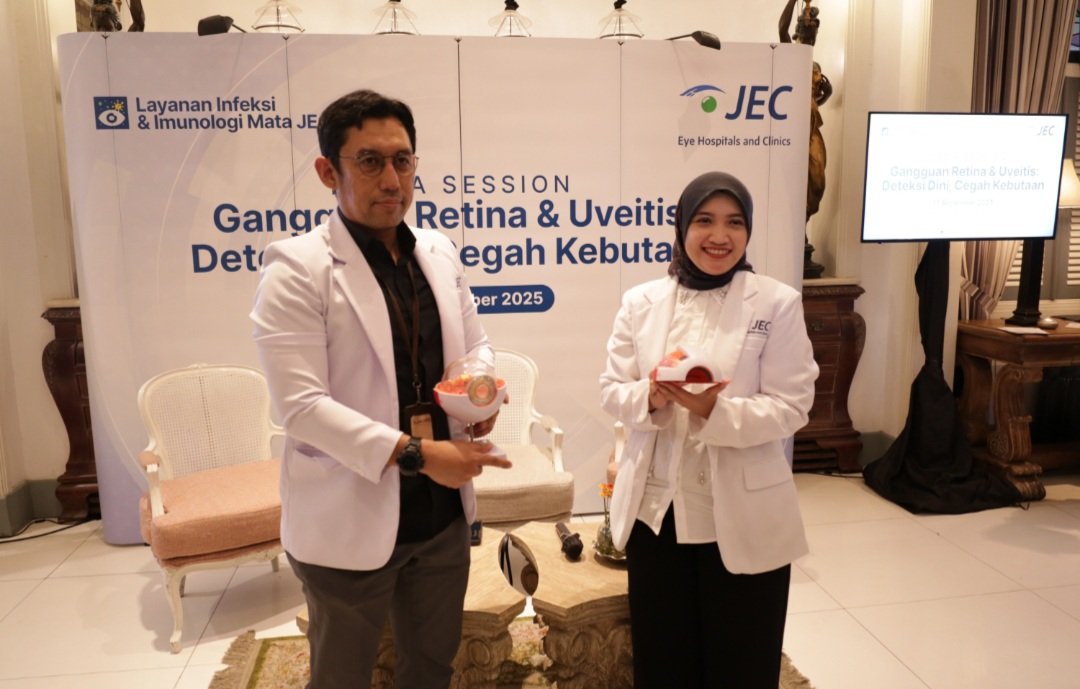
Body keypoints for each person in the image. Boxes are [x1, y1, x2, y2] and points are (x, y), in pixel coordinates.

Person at [250, 89, 511, 689]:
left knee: (431, 668)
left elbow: (476, 345)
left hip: (440, 516)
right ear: (328, 172)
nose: (392, 179)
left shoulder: (438, 251)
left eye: (403, 160)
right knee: (342, 676)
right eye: (370, 161)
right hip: (345, 515)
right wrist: (419, 454)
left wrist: (478, 391)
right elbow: (302, 408)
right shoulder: (296, 268)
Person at [599, 171, 818, 689]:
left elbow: (792, 406)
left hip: (741, 516)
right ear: (682, 227)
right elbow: (611, 390)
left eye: (734, 223)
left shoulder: (776, 302)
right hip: (657, 518)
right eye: (704, 220)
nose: (719, 236)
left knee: (741, 665)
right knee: (664, 665)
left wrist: (712, 411)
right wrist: (652, 396)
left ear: (748, 232)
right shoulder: (641, 302)